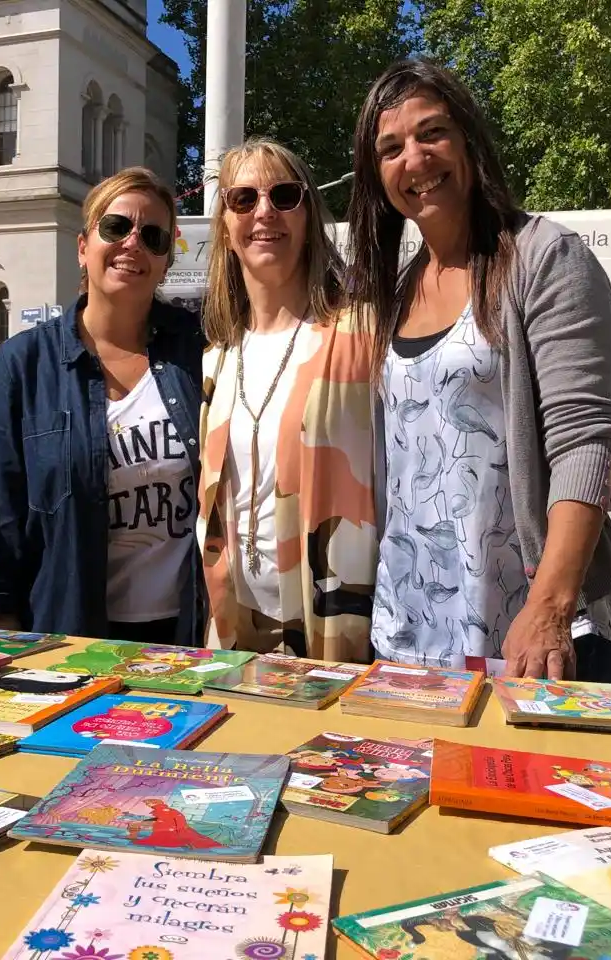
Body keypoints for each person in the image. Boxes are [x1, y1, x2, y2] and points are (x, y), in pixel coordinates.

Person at [347, 59, 611, 682]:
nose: (414, 159)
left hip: (531, 632)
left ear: (469, 139)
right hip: (413, 627)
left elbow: (583, 442)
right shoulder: (396, 291)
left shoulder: (544, 257)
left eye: (432, 133)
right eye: (390, 148)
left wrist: (550, 607)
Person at [0, 167, 207, 645]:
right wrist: (8, 640)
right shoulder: (26, 362)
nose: (133, 243)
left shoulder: (199, 350)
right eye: (116, 227)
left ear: (167, 260)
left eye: (153, 236)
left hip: (186, 633)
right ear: (84, 246)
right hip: (68, 631)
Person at [197, 137, 378, 663]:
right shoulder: (217, 360)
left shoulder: (359, 334)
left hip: (334, 624)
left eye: (284, 195)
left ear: (308, 217)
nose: (264, 212)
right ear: (226, 229)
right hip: (236, 624)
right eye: (244, 199)